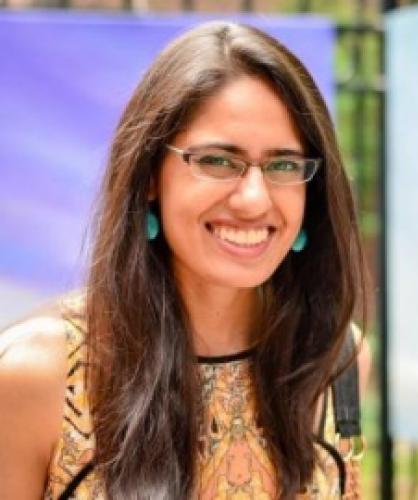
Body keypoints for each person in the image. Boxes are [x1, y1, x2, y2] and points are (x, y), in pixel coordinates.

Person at [0, 21, 371, 499]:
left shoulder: (336, 359)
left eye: (283, 164)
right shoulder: (39, 375)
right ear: (150, 176)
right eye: (218, 161)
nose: (254, 199)